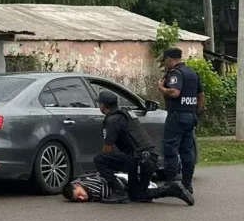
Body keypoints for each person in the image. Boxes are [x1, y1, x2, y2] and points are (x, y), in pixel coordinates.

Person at [92, 90, 193, 205]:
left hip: (139, 161)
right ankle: (172, 190)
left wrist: (104, 171)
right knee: (137, 195)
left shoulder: (112, 120)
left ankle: (118, 192)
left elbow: (107, 150)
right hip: (149, 159)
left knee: (100, 159)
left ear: (103, 105)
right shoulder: (125, 114)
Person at [157, 48, 204, 194]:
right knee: (187, 151)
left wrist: (161, 88)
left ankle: (171, 184)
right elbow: (201, 95)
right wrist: (196, 111)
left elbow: (174, 92)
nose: (165, 63)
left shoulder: (175, 74)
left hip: (177, 116)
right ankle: (187, 184)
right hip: (190, 116)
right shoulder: (192, 73)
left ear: (169, 59)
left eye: (165, 60)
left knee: (170, 149)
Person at [62, 172, 193, 205]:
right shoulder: (81, 182)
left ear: (78, 186)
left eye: (79, 194)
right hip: (123, 178)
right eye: (78, 199)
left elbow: (116, 194)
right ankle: (170, 189)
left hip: (125, 182)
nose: (82, 198)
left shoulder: (95, 189)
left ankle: (171, 189)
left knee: (140, 196)